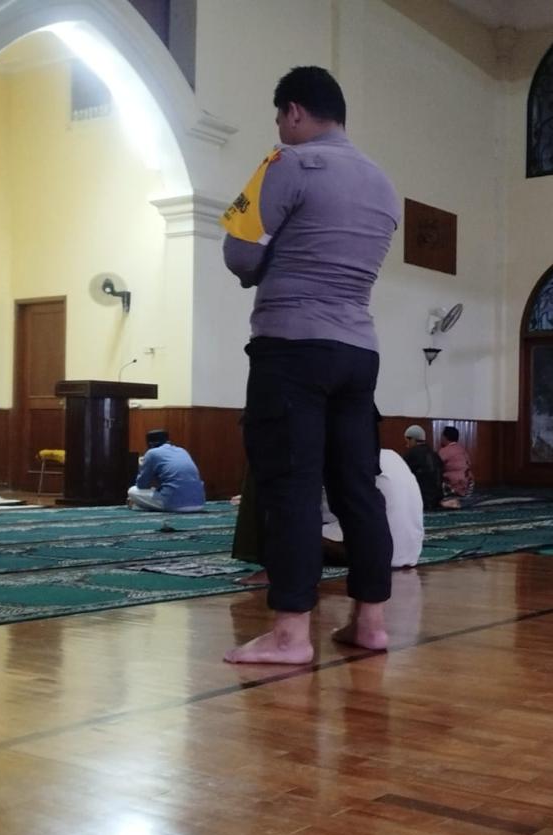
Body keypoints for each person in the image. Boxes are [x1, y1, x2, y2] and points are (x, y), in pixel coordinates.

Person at [221, 66, 400, 664]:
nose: (279, 128)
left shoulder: (287, 164)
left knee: (291, 487)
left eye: (280, 117)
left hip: (292, 348)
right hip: (359, 351)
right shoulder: (383, 184)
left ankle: (290, 635)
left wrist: (268, 261)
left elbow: (239, 255)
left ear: (294, 111)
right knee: (357, 487)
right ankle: (370, 622)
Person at [322, 449, 423, 568]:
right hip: (410, 552)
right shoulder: (392, 455)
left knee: (305, 535)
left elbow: (326, 513)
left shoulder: (349, 459)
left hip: (375, 553)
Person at [127, 430, 206, 512]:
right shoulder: (182, 450)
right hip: (199, 503)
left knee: (132, 491)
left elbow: (141, 485)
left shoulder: (151, 453)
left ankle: (140, 506)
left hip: (174, 505)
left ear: (150, 444)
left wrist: (143, 467)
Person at [401, 424, 444, 512]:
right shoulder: (434, 454)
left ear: (412, 439)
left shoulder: (412, 453)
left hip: (421, 499)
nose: (407, 445)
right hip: (437, 499)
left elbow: (402, 475)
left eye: (407, 441)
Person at [437, 425, 474, 509]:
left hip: (454, 486)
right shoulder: (462, 450)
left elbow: (435, 467)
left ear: (445, 437)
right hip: (469, 486)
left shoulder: (444, 451)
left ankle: (450, 501)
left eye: (442, 436)